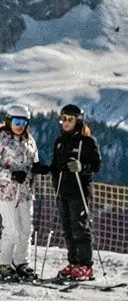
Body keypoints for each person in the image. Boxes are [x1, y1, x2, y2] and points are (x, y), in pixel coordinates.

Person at [0, 106, 44, 282]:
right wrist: (11, 175)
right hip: (5, 192)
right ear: (8, 121)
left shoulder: (29, 141)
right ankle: (3, 264)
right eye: (16, 121)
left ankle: (20, 263)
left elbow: (33, 162)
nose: (20, 125)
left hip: (25, 192)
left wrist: (38, 168)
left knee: (26, 229)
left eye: (23, 122)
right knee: (11, 229)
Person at [48, 104, 102, 281]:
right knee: (67, 229)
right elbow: (56, 165)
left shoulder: (87, 142)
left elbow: (96, 166)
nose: (65, 122)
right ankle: (73, 262)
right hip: (62, 190)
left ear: (78, 120)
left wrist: (82, 168)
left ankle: (85, 265)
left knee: (80, 228)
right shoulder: (60, 141)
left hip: (79, 190)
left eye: (70, 119)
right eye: (63, 119)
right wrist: (49, 171)